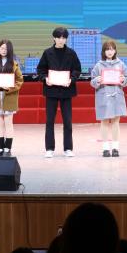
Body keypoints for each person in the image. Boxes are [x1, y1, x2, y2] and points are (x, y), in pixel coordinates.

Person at [37, 27, 83, 158]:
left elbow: (77, 70)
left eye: (63, 37)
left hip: (66, 91)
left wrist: (71, 79)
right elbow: (40, 70)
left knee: (67, 121)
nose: (61, 40)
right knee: (49, 120)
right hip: (51, 91)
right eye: (58, 37)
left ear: (66, 39)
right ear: (54, 38)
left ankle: (68, 148)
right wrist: (45, 79)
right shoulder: (47, 53)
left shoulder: (71, 53)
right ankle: (49, 148)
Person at [90, 40, 127, 157]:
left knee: (116, 122)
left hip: (117, 96)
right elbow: (92, 81)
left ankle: (116, 148)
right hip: (103, 96)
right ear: (104, 51)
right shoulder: (98, 65)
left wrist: (123, 80)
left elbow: (126, 80)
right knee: (105, 122)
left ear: (115, 50)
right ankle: (105, 148)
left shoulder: (121, 64)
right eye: (107, 49)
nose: (110, 52)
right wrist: (97, 80)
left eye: (112, 49)